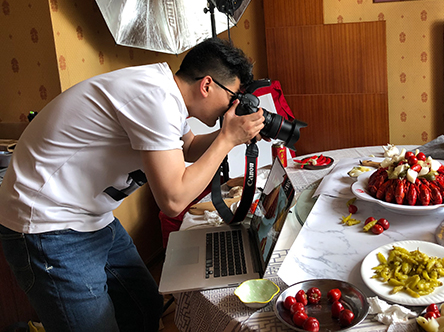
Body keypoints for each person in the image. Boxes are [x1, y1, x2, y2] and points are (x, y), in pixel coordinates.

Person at [0, 37, 265, 332]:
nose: (232, 108)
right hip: (47, 226)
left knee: (144, 307)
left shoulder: (166, 93)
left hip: (91, 218)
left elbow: (187, 147)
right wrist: (228, 139)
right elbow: (173, 199)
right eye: (232, 99)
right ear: (207, 85)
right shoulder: (156, 97)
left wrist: (236, 134)